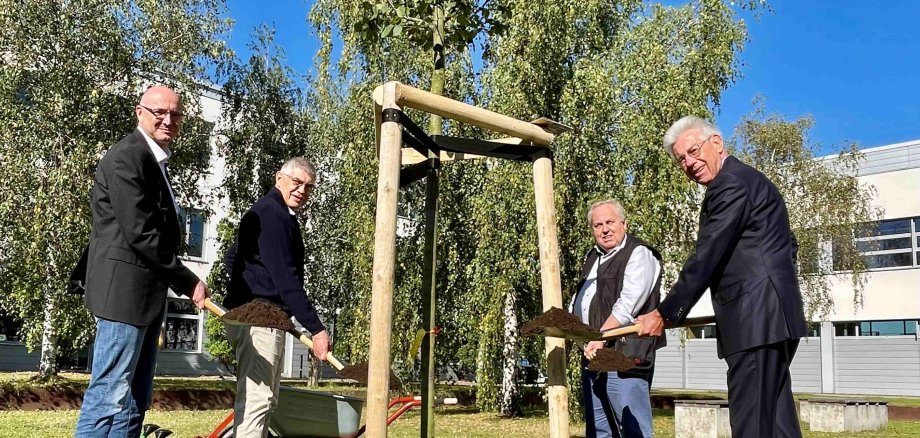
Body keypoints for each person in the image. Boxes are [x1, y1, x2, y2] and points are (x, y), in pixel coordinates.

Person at [636, 116, 807, 437]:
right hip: (772, 320)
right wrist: (772, 286)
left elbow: (707, 255)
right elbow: (788, 245)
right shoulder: (750, 180)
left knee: (752, 425)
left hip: (755, 323)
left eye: (693, 150)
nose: (688, 162)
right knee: (777, 423)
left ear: (716, 142)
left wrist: (664, 312)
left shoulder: (730, 184)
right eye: (681, 159)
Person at [75, 86, 209, 437]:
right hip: (124, 297)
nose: (168, 119)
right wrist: (188, 279)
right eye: (159, 112)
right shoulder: (128, 157)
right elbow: (140, 232)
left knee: (135, 400)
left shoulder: (153, 160)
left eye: (176, 114)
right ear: (140, 113)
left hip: (146, 297)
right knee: (108, 397)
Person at [224, 157, 330, 437]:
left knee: (262, 400)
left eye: (308, 187)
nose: (302, 191)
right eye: (297, 182)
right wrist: (316, 328)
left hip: (255, 316)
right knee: (258, 402)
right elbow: (286, 278)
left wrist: (248, 287)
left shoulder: (266, 211)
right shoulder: (274, 215)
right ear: (279, 178)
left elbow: (232, 257)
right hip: (260, 319)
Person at [569, 200, 665, 438]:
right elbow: (580, 299)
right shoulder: (593, 257)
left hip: (626, 355)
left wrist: (599, 337)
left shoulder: (639, 253)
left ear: (624, 223)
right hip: (593, 354)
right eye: (597, 225)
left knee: (633, 429)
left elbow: (628, 305)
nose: (605, 229)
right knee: (600, 429)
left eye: (610, 222)